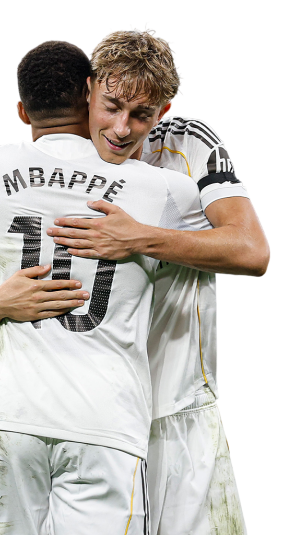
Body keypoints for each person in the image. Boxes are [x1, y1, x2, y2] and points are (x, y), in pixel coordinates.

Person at [0, 39, 214, 535]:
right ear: (87, 95)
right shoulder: (162, 189)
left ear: (22, 111)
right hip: (107, 427)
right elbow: (249, 252)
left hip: (8, 418)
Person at [46, 29, 270, 534]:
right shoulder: (55, 152)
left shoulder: (189, 142)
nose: (121, 128)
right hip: (87, 416)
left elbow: (252, 251)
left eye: (141, 115)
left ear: (163, 111)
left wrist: (140, 238)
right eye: (111, 106)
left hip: (177, 410)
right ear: (88, 90)